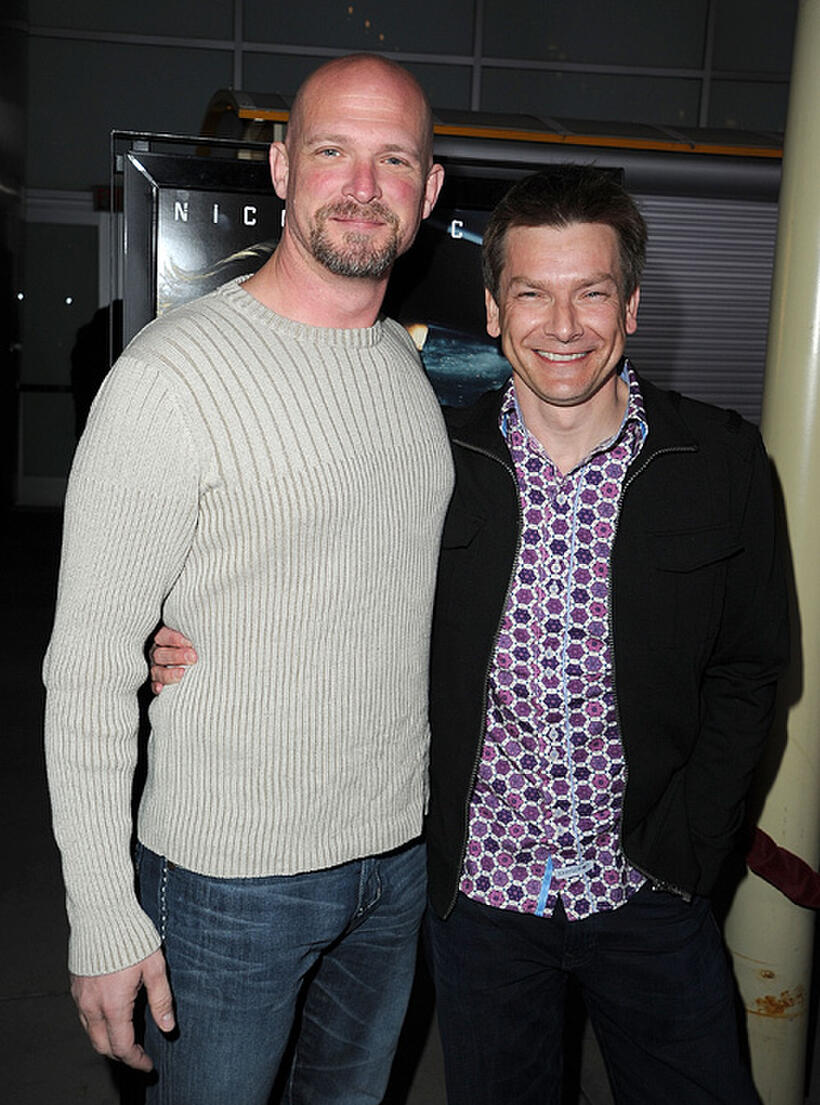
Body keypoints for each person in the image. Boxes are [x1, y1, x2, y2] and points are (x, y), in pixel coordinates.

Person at [150, 166, 789, 1102]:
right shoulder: (433, 454)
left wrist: (691, 848)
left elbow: (753, 669)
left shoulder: (721, 461)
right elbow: (321, 585)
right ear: (494, 309)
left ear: (633, 307)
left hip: (652, 888)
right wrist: (184, 636)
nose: (562, 327)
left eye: (592, 293)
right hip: (484, 904)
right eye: (532, 292)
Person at [44, 53, 449, 1105]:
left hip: (394, 863)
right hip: (226, 877)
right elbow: (87, 665)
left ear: (429, 190)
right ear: (279, 169)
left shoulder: (406, 373)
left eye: (393, 158)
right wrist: (102, 911)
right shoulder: (167, 380)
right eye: (332, 152)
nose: (362, 185)